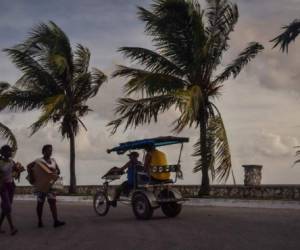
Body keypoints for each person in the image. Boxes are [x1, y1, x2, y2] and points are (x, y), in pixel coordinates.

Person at [27, 144, 65, 228]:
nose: (50, 152)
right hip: (41, 186)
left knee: (53, 202)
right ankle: (39, 221)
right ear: (43, 151)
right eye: (48, 150)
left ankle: (56, 221)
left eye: (51, 150)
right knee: (40, 203)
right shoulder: (38, 161)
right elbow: (29, 166)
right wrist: (32, 176)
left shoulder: (53, 161)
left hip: (51, 185)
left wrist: (54, 173)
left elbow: (58, 171)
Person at [0, 145, 21, 236]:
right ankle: (12, 228)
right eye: (7, 151)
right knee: (7, 207)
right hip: (2, 186)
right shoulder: (0, 162)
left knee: (6, 208)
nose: (10, 153)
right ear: (3, 153)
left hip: (11, 186)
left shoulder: (12, 162)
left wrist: (18, 170)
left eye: (10, 151)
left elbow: (15, 173)